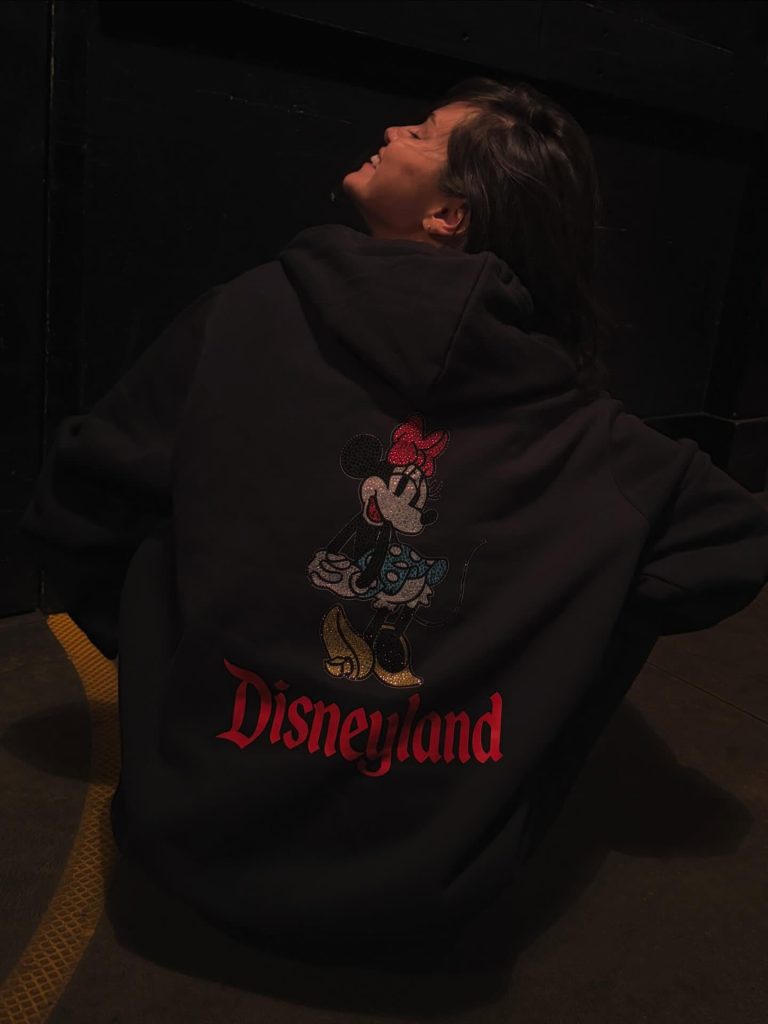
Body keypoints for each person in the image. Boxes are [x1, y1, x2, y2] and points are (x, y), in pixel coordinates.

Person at [18, 76, 768, 965]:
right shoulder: (583, 430)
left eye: (421, 132)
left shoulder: (245, 315)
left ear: (450, 213)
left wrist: (164, 650)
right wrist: (556, 636)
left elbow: (80, 499)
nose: (391, 129)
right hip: (429, 894)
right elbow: (728, 548)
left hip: (186, 841)